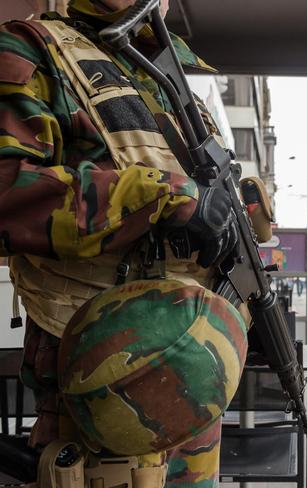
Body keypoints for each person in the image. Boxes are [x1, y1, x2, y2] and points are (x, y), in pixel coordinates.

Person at [0, 0, 241, 485]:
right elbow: (8, 190)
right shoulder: (30, 46)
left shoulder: (165, 70)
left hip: (196, 366)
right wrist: (164, 197)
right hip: (105, 372)